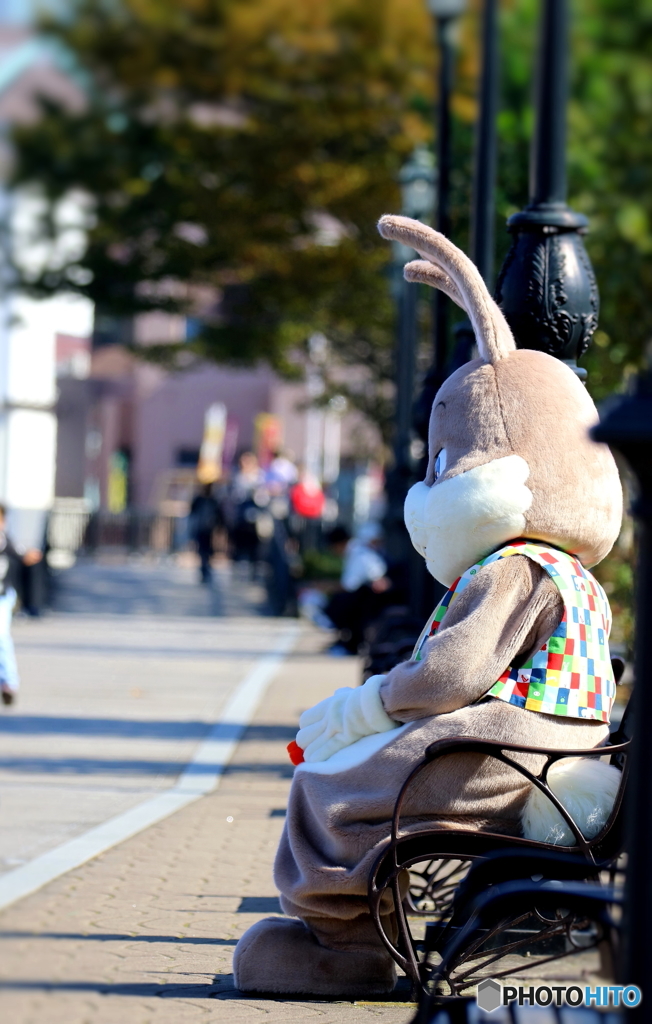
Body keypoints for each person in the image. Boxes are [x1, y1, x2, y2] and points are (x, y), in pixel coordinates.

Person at [323, 522, 393, 654]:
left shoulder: (356, 552)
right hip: (373, 592)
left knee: (337, 605)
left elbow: (349, 585)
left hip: (374, 594)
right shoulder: (358, 549)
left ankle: (352, 643)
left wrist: (324, 588)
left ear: (338, 544)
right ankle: (349, 641)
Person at [0, 504, 32, 706]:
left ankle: (9, 682)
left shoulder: (5, 540)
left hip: (2, 596)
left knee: (2, 638)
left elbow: (23, 556)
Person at [189, 483, 221, 584]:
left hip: (209, 530)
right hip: (200, 529)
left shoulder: (213, 501)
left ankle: (206, 570)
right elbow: (192, 512)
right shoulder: (199, 500)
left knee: (207, 551)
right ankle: (204, 571)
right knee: (202, 551)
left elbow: (218, 515)